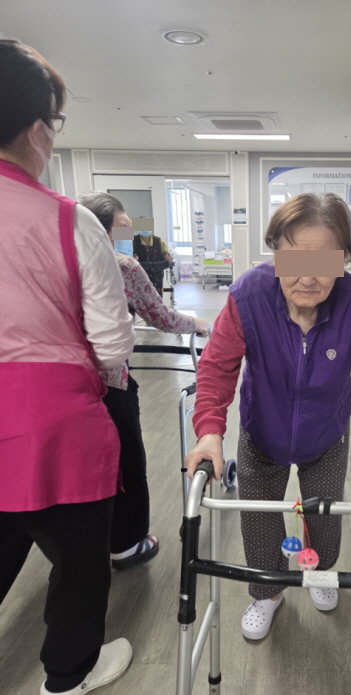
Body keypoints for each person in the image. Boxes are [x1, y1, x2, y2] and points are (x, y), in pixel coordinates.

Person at [185, 193, 351, 641]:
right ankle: (268, 591)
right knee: (259, 518)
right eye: (295, 260)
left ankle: (320, 572)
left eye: (324, 262)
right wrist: (210, 432)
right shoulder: (248, 296)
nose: (309, 277)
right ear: (275, 253)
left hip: (327, 433)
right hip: (261, 432)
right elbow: (217, 367)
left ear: (343, 260)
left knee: (325, 514)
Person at [0, 37, 135, 695]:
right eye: (54, 124)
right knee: (80, 557)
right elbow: (112, 342)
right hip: (55, 420)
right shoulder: (69, 222)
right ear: (36, 130)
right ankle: (67, 672)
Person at [78, 191, 209, 568]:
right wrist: (196, 324)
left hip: (57, 380)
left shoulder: (54, 259)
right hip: (108, 382)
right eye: (123, 227)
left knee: (78, 462)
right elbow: (160, 316)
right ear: (102, 229)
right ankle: (126, 543)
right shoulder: (121, 265)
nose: (128, 235)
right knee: (126, 459)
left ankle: (81, 543)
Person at [133, 223, 173, 295]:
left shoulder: (158, 240)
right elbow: (129, 253)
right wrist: (133, 256)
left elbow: (166, 253)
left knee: (157, 297)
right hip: (140, 276)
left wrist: (168, 256)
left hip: (156, 276)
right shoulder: (134, 240)